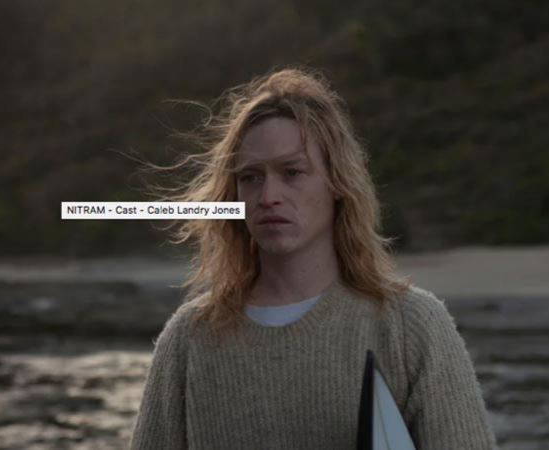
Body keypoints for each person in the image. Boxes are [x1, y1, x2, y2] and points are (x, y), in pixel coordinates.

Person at [130, 68, 496, 449]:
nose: (268, 196)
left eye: (292, 172)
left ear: (337, 183)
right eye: (251, 177)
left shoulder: (409, 328)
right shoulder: (190, 338)